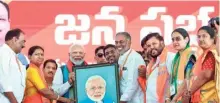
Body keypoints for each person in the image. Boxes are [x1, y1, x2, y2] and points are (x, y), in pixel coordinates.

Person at [181, 26, 219, 103]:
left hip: (210, 98)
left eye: (204, 36)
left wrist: (189, 93)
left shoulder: (211, 53)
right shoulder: (201, 55)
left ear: (212, 39)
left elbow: (206, 75)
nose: (201, 39)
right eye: (198, 37)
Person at [138, 33, 175, 103]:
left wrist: (168, 98)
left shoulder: (170, 57)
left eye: (154, 43)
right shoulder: (150, 65)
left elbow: (174, 81)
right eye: (149, 46)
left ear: (162, 43)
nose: (151, 47)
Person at [115, 32, 145, 103]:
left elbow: (133, 83)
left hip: (135, 99)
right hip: (126, 98)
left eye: (121, 42)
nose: (118, 44)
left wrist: (122, 100)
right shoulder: (121, 56)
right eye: (116, 42)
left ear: (129, 42)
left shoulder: (134, 57)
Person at [168, 28, 196, 103]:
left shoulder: (191, 55)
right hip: (175, 98)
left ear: (186, 39)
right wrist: (168, 98)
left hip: (186, 98)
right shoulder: (176, 57)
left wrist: (174, 99)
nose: (175, 42)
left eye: (178, 39)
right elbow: (171, 79)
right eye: (173, 40)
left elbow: (188, 79)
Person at [0, 28, 26, 103]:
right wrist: (14, 101)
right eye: (23, 41)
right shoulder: (3, 53)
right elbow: (3, 81)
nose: (24, 45)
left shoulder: (16, 57)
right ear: (14, 39)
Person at [0, 1, 29, 67]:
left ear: (8, 23)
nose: (23, 45)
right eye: (22, 42)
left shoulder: (22, 60)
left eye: (1, 19)